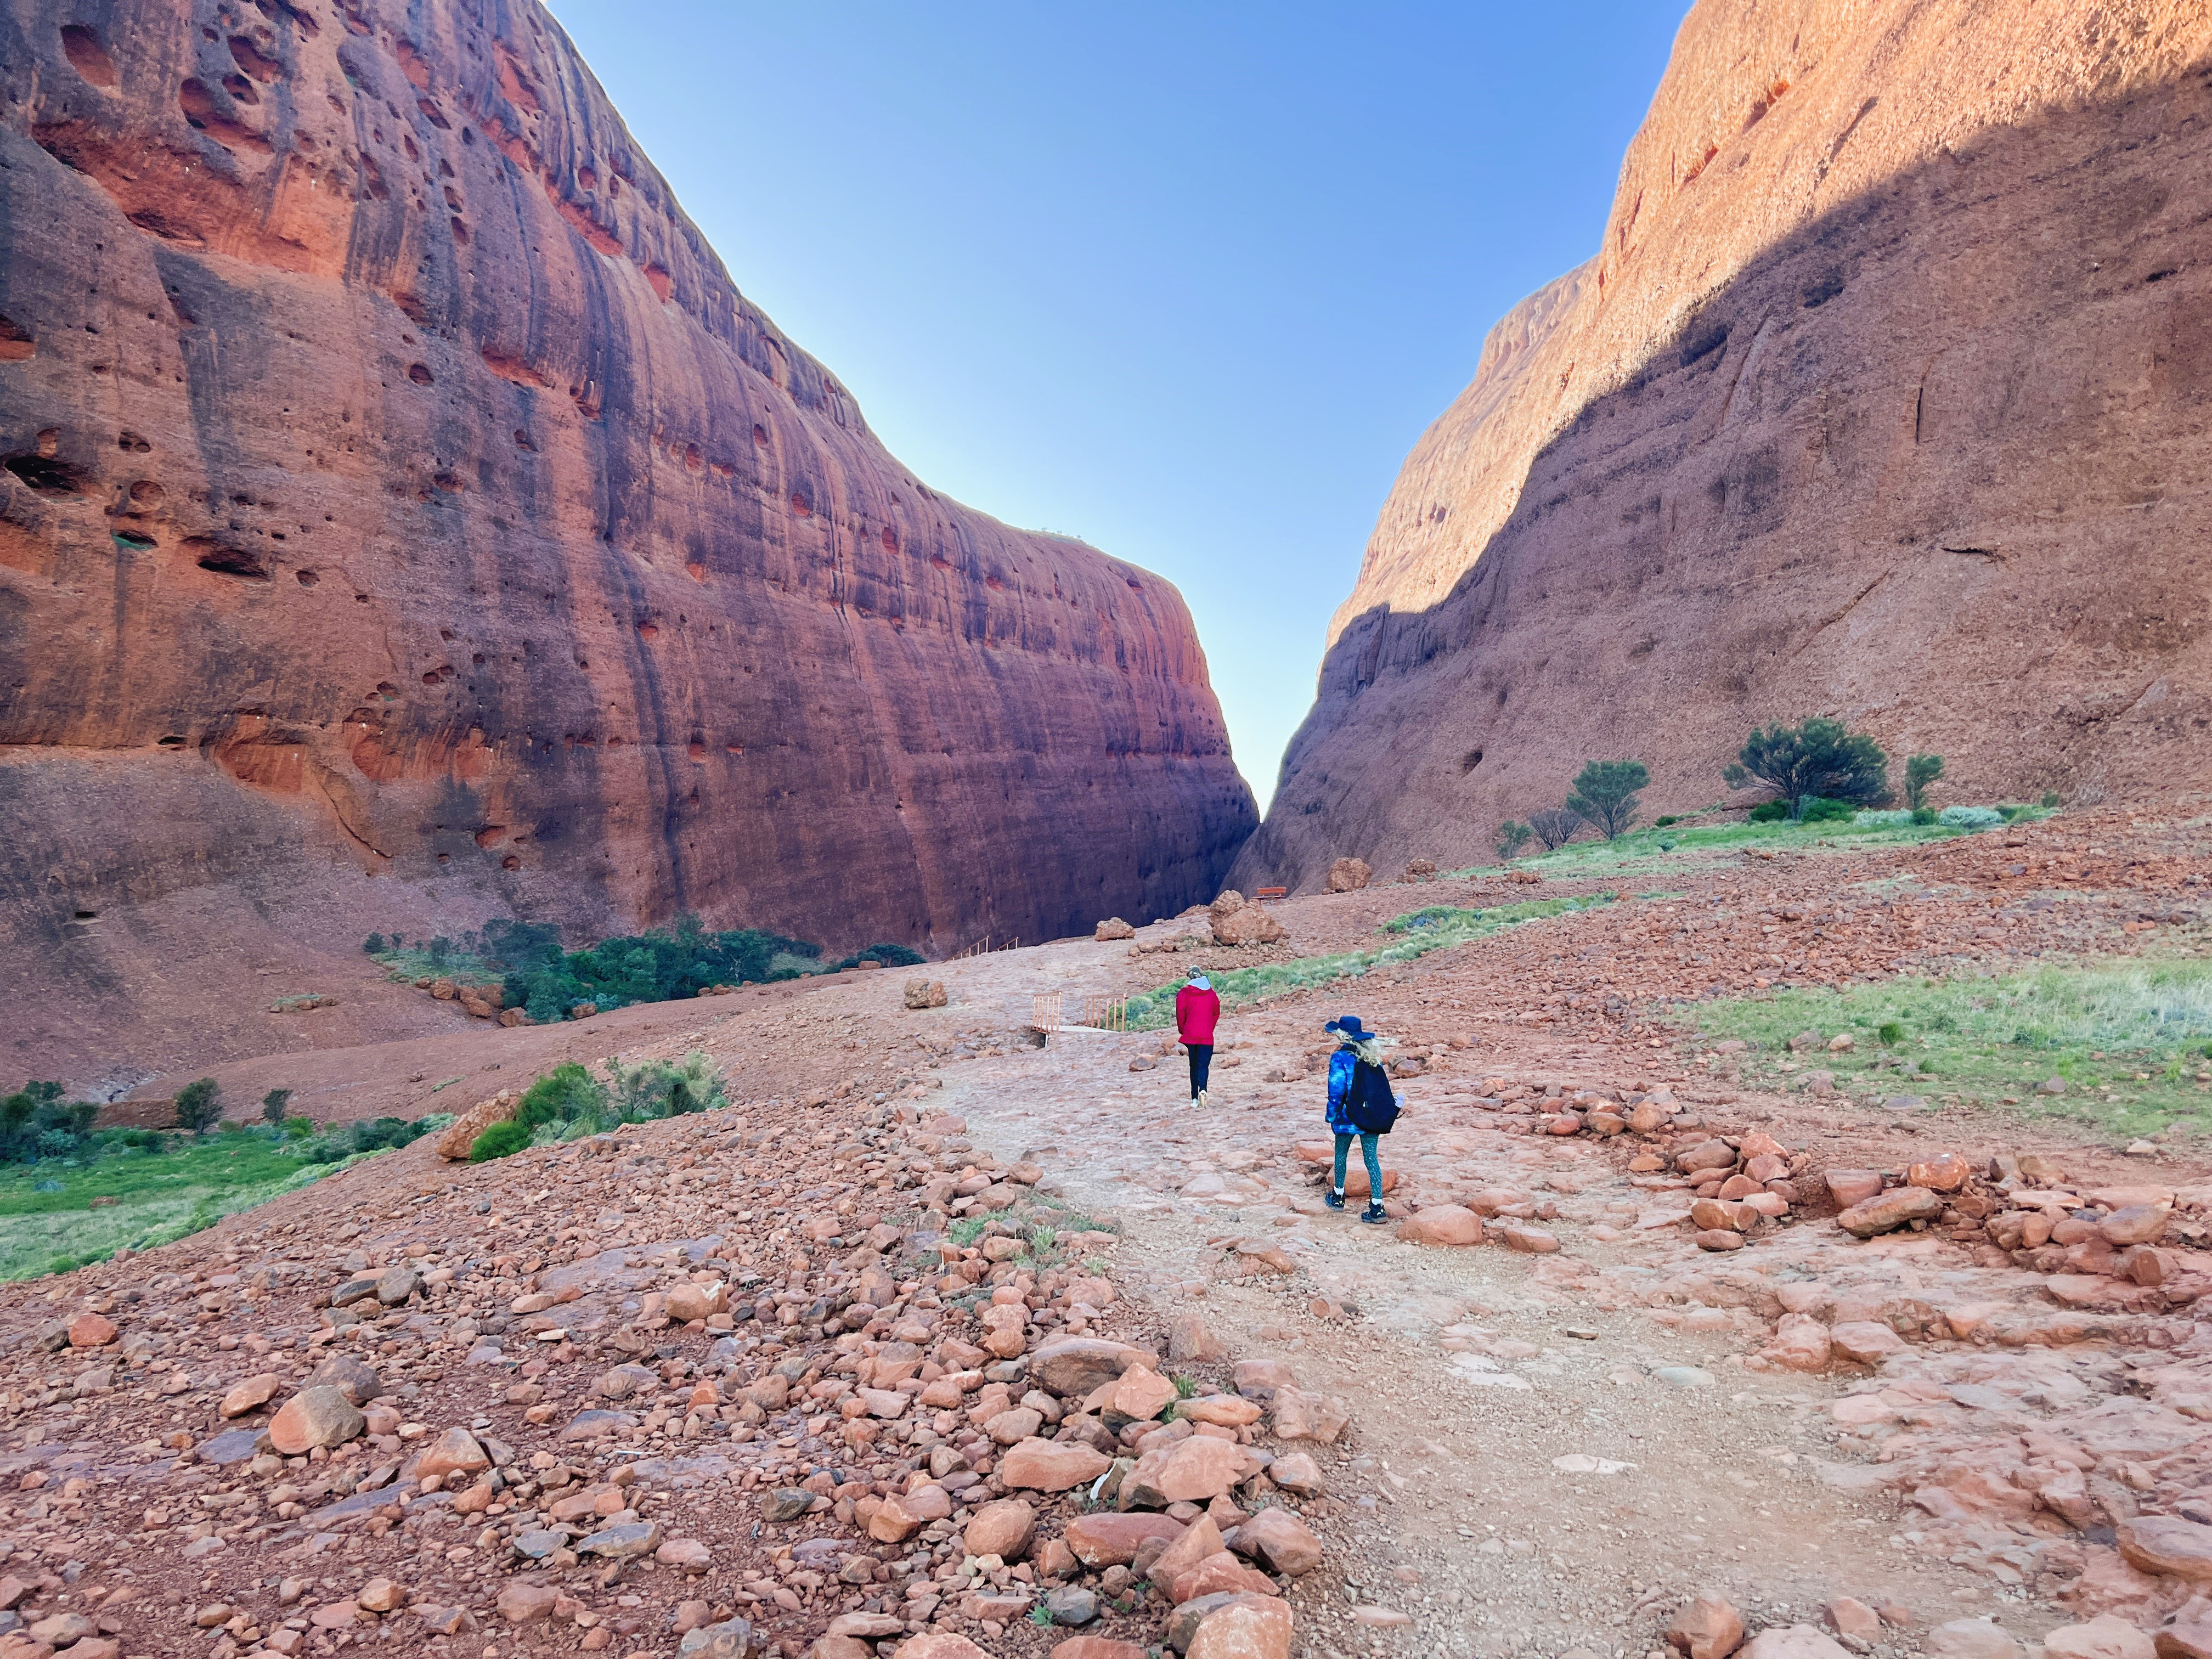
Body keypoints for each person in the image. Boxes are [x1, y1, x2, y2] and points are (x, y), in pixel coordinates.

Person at [1323, 1014, 1398, 1223]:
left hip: (1347, 1117)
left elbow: (1336, 1091)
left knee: (1341, 1154)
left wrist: (1332, 1116)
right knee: (1371, 1159)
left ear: (1342, 1035)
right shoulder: (1372, 1057)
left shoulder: (1340, 1058)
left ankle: (1338, 1197)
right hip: (1371, 1117)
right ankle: (1377, 1207)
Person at [1174, 971, 1220, 1107]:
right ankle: (1203, 1089)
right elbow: (1216, 1013)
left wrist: (1183, 1030)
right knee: (1203, 1066)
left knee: (1193, 1066)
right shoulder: (1211, 994)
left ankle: (1194, 1098)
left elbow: (1180, 1013)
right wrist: (1209, 1028)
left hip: (1190, 1035)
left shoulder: (1184, 993)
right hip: (1206, 1036)